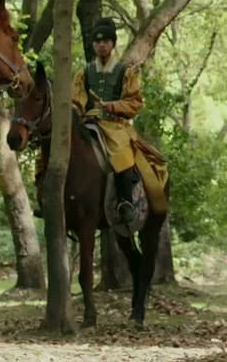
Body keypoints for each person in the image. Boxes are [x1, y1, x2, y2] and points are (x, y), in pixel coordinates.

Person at [72, 18, 169, 228]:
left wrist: (113, 106)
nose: (101, 45)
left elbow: (135, 102)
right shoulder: (84, 72)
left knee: (121, 152)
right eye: (97, 42)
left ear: (113, 44)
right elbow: (76, 101)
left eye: (106, 41)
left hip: (115, 125)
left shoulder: (125, 72)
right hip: (89, 122)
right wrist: (76, 112)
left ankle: (125, 202)